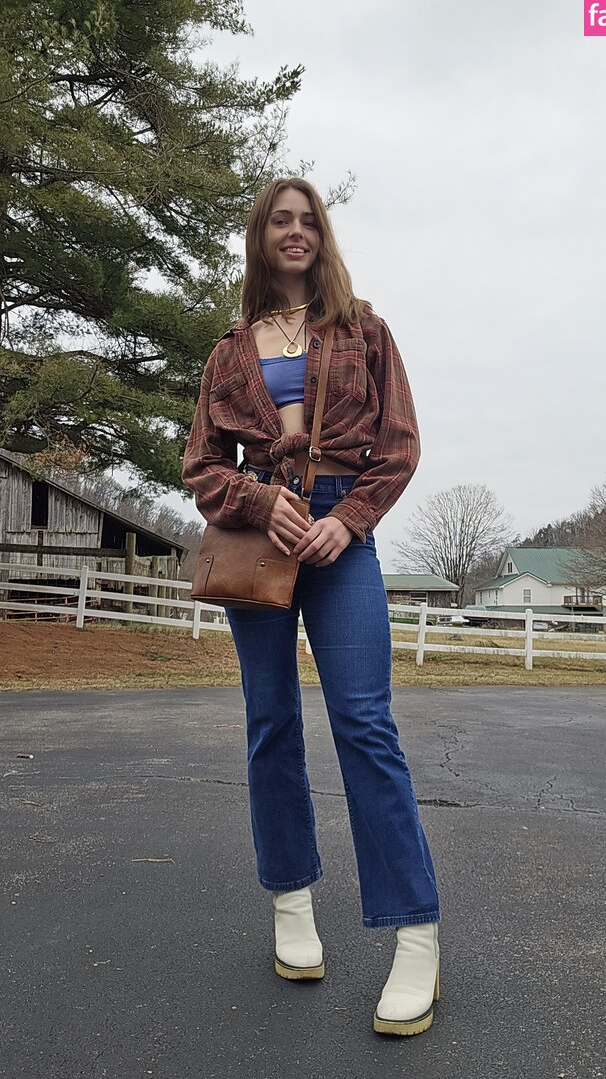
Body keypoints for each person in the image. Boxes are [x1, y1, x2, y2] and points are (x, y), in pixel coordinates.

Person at [182, 177, 440, 1036]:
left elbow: (398, 447)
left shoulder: (365, 329)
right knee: (271, 721)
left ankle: (416, 934)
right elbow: (202, 466)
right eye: (279, 221)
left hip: (342, 542)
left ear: (322, 236)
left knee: (365, 723)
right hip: (260, 542)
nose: (295, 232)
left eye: (308, 221)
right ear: (261, 238)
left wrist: (349, 519)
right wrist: (261, 502)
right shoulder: (229, 353)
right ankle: (292, 904)